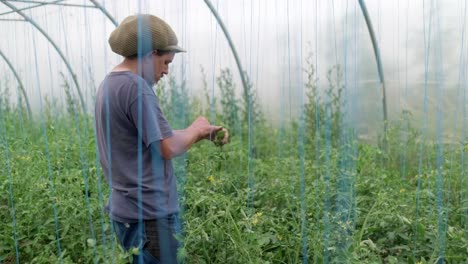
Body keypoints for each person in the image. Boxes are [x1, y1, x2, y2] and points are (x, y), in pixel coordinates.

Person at [94, 14, 228, 264]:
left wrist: (198, 132)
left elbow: (155, 139)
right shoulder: (136, 88)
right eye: (165, 62)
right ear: (150, 53)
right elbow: (167, 147)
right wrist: (196, 130)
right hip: (150, 217)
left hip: (128, 213)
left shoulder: (110, 84)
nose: (166, 71)